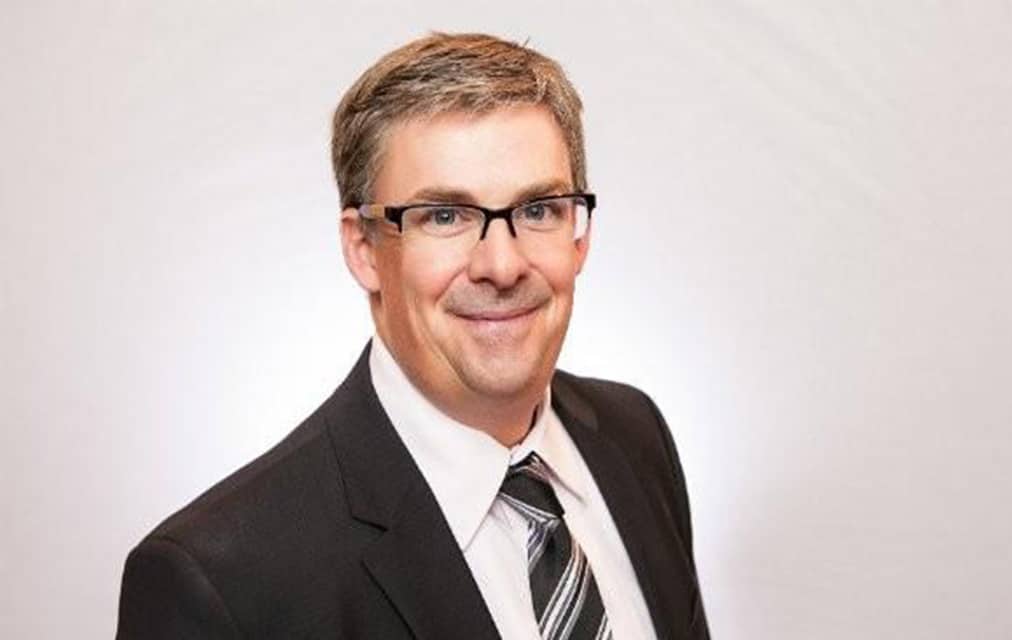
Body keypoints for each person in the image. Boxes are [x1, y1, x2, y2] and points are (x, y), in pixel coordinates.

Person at [116, 32, 710, 640]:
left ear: (579, 236)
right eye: (445, 216)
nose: (502, 266)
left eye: (538, 210)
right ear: (364, 249)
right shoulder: (220, 584)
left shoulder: (635, 438)